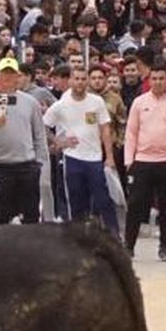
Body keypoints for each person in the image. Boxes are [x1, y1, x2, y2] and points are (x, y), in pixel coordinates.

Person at [0, 56, 50, 224]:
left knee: (31, 216)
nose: (8, 77)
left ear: (18, 77)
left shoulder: (30, 103)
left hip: (27, 166)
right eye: (4, 73)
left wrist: (40, 163)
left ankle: (30, 250)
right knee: (1, 217)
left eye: (12, 73)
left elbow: (39, 135)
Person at [123, 61, 166, 261]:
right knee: (135, 205)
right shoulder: (139, 102)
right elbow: (131, 132)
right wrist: (129, 160)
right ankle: (129, 246)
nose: (158, 82)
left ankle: (164, 248)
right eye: (154, 79)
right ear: (149, 80)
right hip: (142, 161)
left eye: (161, 79)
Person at [43, 64, 118, 229]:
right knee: (76, 203)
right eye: (76, 79)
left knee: (103, 200)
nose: (80, 82)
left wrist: (110, 157)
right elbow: (43, 126)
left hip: (95, 159)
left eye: (83, 79)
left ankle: (114, 237)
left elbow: (105, 128)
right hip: (72, 159)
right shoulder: (62, 104)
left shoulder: (96, 101)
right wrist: (58, 142)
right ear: (70, 80)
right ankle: (76, 241)